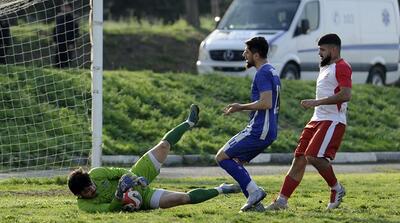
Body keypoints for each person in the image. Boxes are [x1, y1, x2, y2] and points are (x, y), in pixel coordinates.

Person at [68, 104, 241, 213]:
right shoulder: (84, 206)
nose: (91, 190)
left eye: (90, 186)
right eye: (86, 192)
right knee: (183, 199)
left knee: (164, 145)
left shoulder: (97, 173)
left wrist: (134, 179)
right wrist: (120, 194)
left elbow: (121, 172)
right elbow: (111, 210)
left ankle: (189, 122)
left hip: (137, 177)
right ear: (79, 195)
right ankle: (222, 189)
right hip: (143, 199)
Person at [265, 33, 352, 211]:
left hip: (332, 120)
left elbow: (345, 95)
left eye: (322, 49)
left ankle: (336, 188)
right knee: (299, 159)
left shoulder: (342, 66)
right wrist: (315, 106)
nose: (319, 53)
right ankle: (281, 201)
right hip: (316, 119)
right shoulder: (325, 67)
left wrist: (316, 102)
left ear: (334, 50)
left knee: (313, 156)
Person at [215, 36, 281, 212]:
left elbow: (266, 103)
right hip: (268, 129)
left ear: (256, 55)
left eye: (247, 51)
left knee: (221, 157)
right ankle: (254, 204)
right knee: (235, 162)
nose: (244, 54)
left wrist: (240, 107)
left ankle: (254, 192)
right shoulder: (272, 71)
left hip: (259, 129)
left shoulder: (263, 73)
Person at [53, 2, 79, 68]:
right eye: (64, 6)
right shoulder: (58, 17)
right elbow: (55, 29)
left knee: (67, 55)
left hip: (68, 40)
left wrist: (72, 42)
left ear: (71, 8)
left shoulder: (73, 18)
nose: (65, 8)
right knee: (58, 55)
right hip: (59, 40)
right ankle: (58, 68)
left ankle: (66, 67)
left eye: (67, 7)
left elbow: (76, 31)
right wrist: (54, 39)